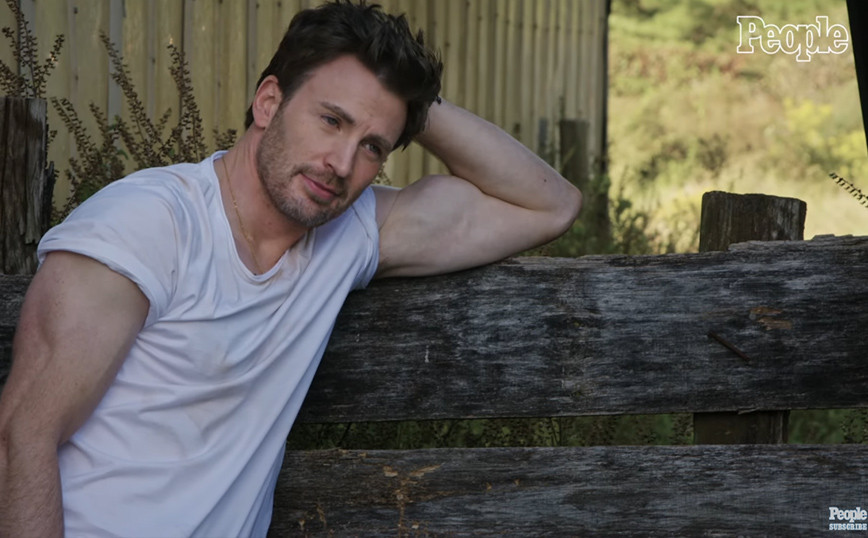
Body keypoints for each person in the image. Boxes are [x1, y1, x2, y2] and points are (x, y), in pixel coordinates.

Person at [0, 1, 581, 536]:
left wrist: (406, 100)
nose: (341, 164)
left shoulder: (348, 236)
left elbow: (550, 205)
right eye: (331, 120)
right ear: (269, 102)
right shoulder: (148, 226)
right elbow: (19, 439)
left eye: (373, 146)